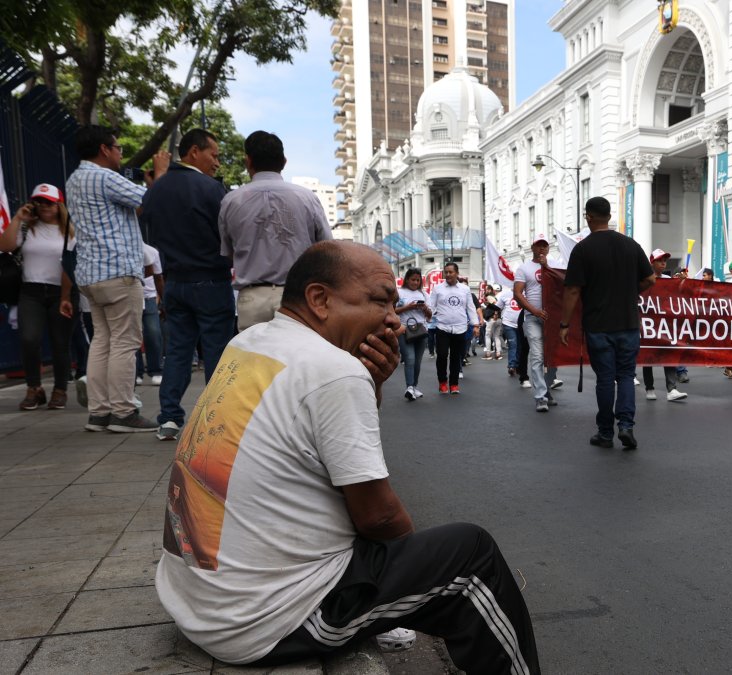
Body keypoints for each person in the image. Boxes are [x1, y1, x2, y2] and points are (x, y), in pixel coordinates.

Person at [155, 241, 539, 672]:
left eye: (395, 303)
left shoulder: (251, 342)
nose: (393, 319)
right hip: (263, 621)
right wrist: (410, 566)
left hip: (196, 599)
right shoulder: (333, 369)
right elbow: (379, 519)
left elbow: (333, 454)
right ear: (320, 299)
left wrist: (371, 385)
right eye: (378, 300)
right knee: (471, 555)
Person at [65, 125, 164, 432]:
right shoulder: (105, 177)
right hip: (118, 272)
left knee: (102, 342)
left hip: (90, 275)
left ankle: (99, 412)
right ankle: (123, 412)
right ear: (104, 150)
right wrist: (159, 173)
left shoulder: (74, 179)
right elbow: (150, 200)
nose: (121, 152)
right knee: (125, 342)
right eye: (118, 147)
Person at [143, 128, 236, 440]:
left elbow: (151, 232)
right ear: (194, 151)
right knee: (216, 352)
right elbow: (228, 235)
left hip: (175, 282)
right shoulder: (211, 189)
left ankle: (169, 418)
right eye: (214, 154)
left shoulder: (157, 189)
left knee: (179, 352)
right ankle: (215, 418)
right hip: (211, 280)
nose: (217, 162)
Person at [560, 197, 654, 449]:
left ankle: (604, 432)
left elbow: (572, 291)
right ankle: (626, 426)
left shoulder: (583, 250)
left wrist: (564, 324)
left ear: (589, 217)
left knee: (605, 378)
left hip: (599, 325)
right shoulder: (630, 245)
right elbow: (651, 279)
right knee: (625, 375)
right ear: (609, 216)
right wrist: (630, 290)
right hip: (628, 323)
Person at [219, 130, 332, 330]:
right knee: (298, 357)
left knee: (255, 360)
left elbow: (228, 253)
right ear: (284, 161)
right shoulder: (306, 198)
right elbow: (325, 248)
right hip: (297, 297)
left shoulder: (231, 201)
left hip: (252, 297)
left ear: (248, 161)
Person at [0, 184, 75, 410]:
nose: (44, 206)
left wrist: (66, 296)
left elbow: (71, 266)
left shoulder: (70, 231)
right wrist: (17, 218)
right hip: (30, 290)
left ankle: (60, 389)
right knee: (29, 339)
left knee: (60, 343)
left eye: (49, 202)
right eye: (39, 202)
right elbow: (5, 246)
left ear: (59, 205)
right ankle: (34, 388)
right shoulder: (27, 228)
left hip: (60, 292)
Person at [514, 235, 560, 412]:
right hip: (533, 318)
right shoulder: (523, 268)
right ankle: (540, 396)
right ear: (532, 248)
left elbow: (562, 286)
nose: (541, 248)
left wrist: (546, 266)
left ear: (548, 249)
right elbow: (517, 294)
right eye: (538, 245)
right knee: (538, 356)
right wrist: (534, 310)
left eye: (544, 245)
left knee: (555, 358)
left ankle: (547, 389)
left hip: (552, 319)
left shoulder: (555, 265)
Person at [640, 249, 687, 402]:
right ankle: (649, 387)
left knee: (669, 353)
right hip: (648, 323)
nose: (663, 263)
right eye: (660, 260)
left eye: (664, 260)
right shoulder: (643, 279)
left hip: (665, 324)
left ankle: (671, 389)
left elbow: (679, 295)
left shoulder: (668, 279)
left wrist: (682, 282)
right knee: (648, 356)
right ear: (651, 263)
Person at [428, 262, 478, 394]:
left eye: (451, 272)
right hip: (442, 327)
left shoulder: (465, 289)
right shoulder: (438, 289)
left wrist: (476, 325)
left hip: (460, 328)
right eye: (446, 272)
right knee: (442, 355)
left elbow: (471, 308)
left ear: (457, 273)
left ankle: (454, 384)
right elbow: (431, 307)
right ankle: (442, 382)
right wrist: (426, 317)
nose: (448, 274)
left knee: (456, 357)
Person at [396, 267, 432, 400]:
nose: (415, 282)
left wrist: (425, 308)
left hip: (421, 330)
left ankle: (414, 387)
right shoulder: (399, 293)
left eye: (418, 280)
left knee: (417, 361)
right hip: (404, 329)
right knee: (409, 359)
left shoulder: (423, 294)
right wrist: (408, 307)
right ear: (407, 279)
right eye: (413, 279)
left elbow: (430, 316)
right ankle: (409, 387)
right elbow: (392, 310)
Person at [135, 243, 165, 386]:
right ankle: (136, 371)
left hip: (148, 296)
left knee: (153, 333)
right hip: (131, 296)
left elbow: (158, 277)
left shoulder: (152, 251)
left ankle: (156, 369)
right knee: (132, 334)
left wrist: (163, 298)